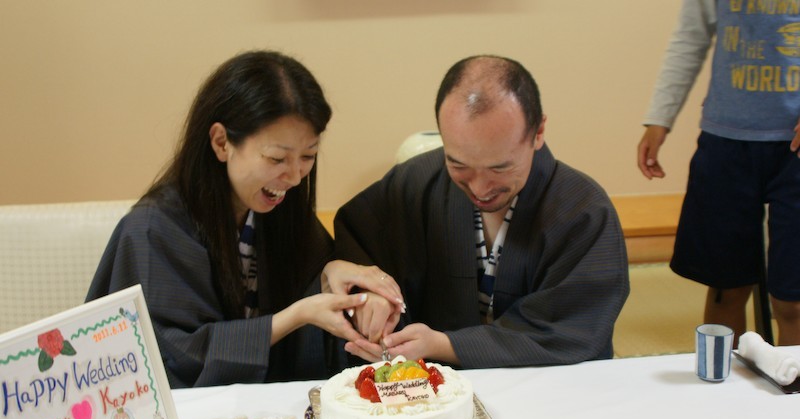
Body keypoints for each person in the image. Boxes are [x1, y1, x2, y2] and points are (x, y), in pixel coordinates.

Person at [87, 50, 403, 388]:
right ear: (221, 142)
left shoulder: (279, 206)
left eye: (308, 156)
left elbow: (315, 306)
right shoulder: (153, 229)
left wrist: (341, 283)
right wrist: (296, 316)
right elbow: (175, 359)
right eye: (277, 158)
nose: (295, 176)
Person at [335, 55, 630, 368]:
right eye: (458, 165)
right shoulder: (413, 184)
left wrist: (444, 345)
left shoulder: (583, 210)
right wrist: (372, 295)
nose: (479, 187)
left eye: (499, 167)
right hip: (428, 387)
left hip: (546, 387)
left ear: (538, 132)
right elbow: (359, 246)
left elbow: (573, 329)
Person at [637, 0, 800, 345]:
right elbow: (689, 38)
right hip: (726, 144)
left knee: (793, 302)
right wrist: (660, 118)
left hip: (794, 148)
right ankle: (722, 376)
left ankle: (790, 380)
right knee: (726, 289)